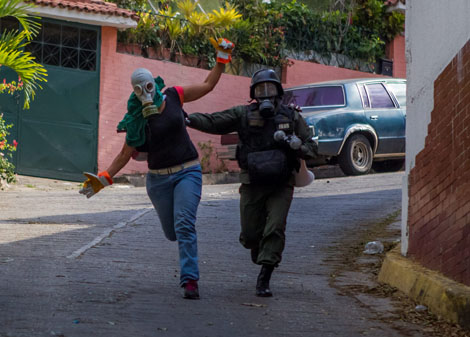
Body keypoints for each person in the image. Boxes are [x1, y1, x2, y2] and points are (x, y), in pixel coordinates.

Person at [78, 38, 235, 300]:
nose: (145, 92)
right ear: (135, 92)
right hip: (158, 181)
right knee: (172, 231)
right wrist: (103, 179)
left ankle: (190, 280)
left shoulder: (174, 95)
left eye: (148, 86)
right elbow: (124, 155)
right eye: (139, 89)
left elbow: (208, 86)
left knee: (184, 224)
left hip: (188, 171)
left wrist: (221, 59)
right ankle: (184, 257)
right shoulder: (136, 119)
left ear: (155, 84)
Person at [186, 68, 318, 297]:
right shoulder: (243, 114)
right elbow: (214, 121)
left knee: (275, 228)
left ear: (278, 92)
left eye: (270, 89)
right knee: (249, 235)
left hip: (281, 182)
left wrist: (297, 146)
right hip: (252, 182)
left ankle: (264, 277)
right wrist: (187, 119)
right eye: (261, 90)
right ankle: (259, 250)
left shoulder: (292, 117)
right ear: (253, 94)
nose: (266, 95)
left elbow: (312, 149)